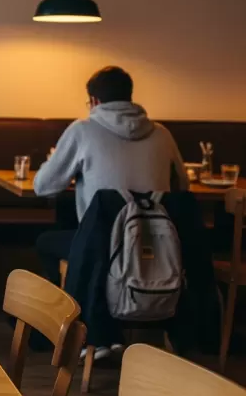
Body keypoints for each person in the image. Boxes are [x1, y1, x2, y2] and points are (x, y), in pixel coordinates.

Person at [32, 65, 188, 360]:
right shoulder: (163, 134)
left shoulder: (83, 130)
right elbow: (183, 185)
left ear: (94, 101)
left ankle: (73, 326)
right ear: (129, 97)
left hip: (101, 245)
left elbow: (44, 187)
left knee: (48, 243)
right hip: (159, 248)